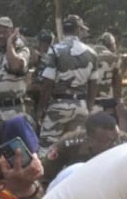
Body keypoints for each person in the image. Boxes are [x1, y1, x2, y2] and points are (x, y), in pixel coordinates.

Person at [34, 14, 99, 150]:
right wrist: (89, 107)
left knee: (48, 147)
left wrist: (41, 108)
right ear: (78, 30)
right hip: (81, 106)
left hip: (58, 106)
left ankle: (48, 171)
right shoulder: (92, 53)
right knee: (76, 148)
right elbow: (93, 85)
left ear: (64, 30)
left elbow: (47, 83)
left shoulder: (55, 50)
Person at [40, 111, 127, 183]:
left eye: (116, 138)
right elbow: (44, 174)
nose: (115, 145)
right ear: (89, 141)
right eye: (108, 142)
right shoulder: (70, 143)